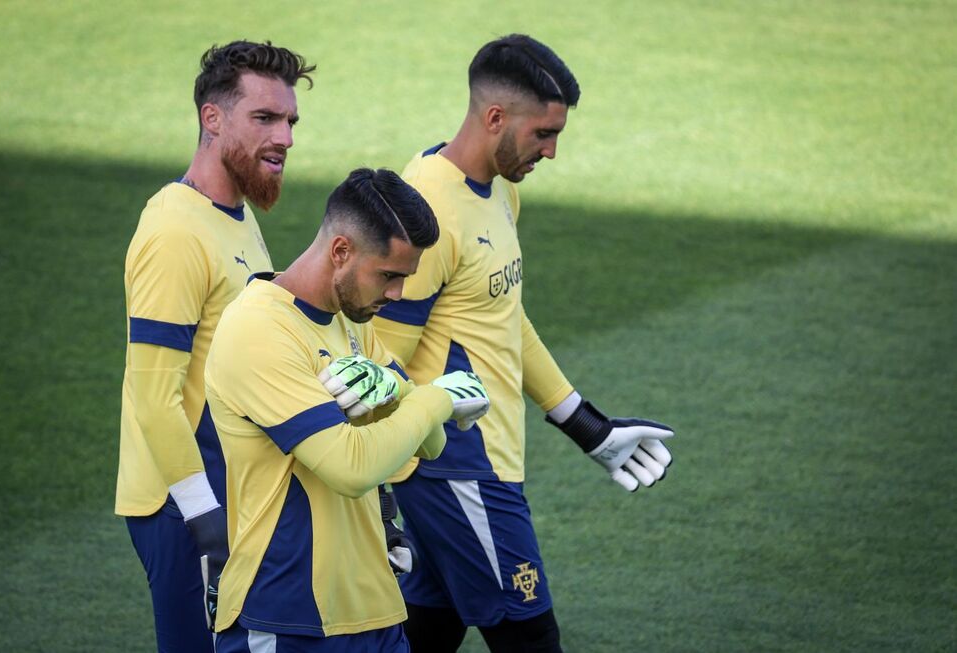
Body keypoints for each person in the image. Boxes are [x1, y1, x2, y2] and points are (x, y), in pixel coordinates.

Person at [372, 34, 676, 652]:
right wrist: (379, 491)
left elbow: (505, 318)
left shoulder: (502, 191)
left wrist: (585, 424)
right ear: (494, 118)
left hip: (484, 466)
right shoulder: (429, 207)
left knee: (428, 632)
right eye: (543, 134)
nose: (553, 151)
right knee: (532, 640)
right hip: (457, 471)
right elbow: (381, 357)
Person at [203, 168, 490, 652]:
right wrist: (433, 396)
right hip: (288, 617)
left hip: (374, 612)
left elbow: (429, 446)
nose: (397, 293)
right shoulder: (258, 329)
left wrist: (400, 393)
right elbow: (352, 467)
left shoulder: (351, 323)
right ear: (341, 251)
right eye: (390, 275)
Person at [115, 40, 314, 652]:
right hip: (185, 505)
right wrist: (206, 520)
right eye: (264, 119)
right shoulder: (175, 230)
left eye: (289, 121)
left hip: (229, 492)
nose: (282, 137)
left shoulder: (236, 215)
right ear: (213, 118)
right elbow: (153, 397)